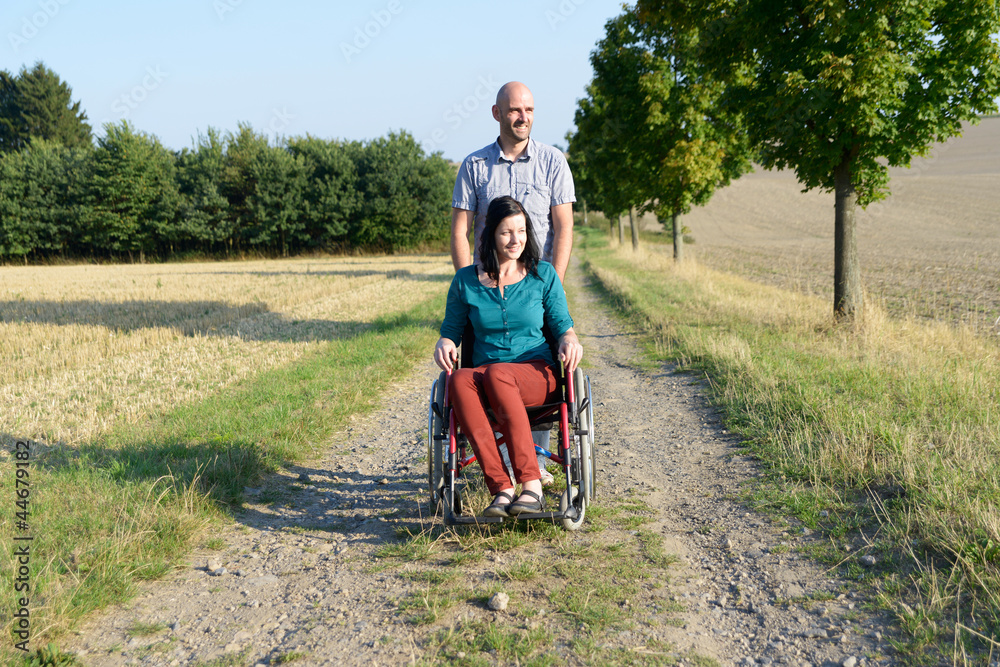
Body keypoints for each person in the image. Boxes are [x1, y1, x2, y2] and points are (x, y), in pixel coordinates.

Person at [451, 81, 576, 485]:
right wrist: (470, 287)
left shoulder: (553, 161)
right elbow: (460, 232)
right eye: (514, 110)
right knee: (482, 367)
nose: (523, 117)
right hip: (489, 283)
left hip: (534, 284)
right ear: (497, 113)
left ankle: (532, 466)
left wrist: (546, 286)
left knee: (525, 360)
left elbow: (563, 227)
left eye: (529, 110)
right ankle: (505, 470)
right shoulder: (474, 166)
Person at [434, 196, 583, 516]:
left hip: (536, 373)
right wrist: (444, 342)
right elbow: (451, 330)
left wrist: (570, 340)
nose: (516, 239)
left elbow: (562, 326)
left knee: (496, 374)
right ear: (490, 236)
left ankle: (532, 486)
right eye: (506, 232)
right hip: (487, 376)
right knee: (460, 380)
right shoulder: (465, 282)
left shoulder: (543, 275)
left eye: (521, 231)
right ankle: (501, 488)